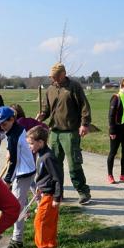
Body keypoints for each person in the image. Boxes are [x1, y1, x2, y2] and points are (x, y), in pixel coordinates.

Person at [36, 62, 92, 205]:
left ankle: (83, 192)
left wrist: (84, 124)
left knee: (74, 164)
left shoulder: (74, 87)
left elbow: (84, 107)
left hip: (70, 132)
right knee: (54, 165)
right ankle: (58, 193)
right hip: (54, 132)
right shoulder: (50, 89)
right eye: (52, 77)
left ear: (63, 74)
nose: (54, 79)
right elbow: (46, 109)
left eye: (56, 76)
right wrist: (42, 115)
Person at [0, 106, 36, 248]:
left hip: (23, 172)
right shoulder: (16, 129)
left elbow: (14, 161)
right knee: (33, 198)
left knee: (17, 206)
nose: (2, 127)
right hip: (28, 168)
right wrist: (9, 151)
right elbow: (14, 151)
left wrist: (8, 180)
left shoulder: (14, 136)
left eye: (4, 123)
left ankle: (17, 239)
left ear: (12, 119)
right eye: (0, 124)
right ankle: (44, 216)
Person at [26, 126, 63, 248]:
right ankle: (51, 245)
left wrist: (57, 197)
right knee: (50, 221)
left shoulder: (48, 157)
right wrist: (39, 188)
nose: (29, 146)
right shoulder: (40, 154)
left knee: (40, 222)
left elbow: (57, 178)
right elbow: (45, 176)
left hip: (50, 196)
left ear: (40, 142)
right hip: (45, 192)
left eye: (31, 143)